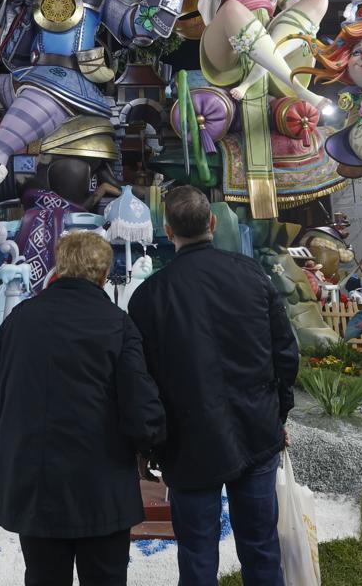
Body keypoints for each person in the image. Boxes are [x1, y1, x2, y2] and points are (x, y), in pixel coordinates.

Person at [128, 186, 300, 586]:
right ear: (212, 223)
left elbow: (141, 381)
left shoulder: (149, 296)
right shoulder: (252, 274)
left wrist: (151, 442)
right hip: (256, 431)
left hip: (188, 442)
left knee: (197, 554)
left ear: (167, 231)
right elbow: (285, 354)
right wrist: (278, 414)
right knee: (261, 547)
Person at [0, 230, 165, 586]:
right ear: (104, 275)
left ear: (59, 268)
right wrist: (151, 446)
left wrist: (12, 432)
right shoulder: (118, 324)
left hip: (35, 480)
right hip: (101, 484)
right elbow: (140, 404)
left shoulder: (20, 319)